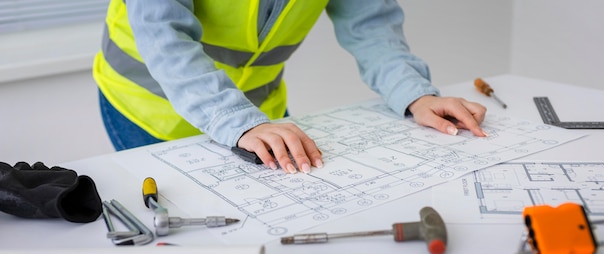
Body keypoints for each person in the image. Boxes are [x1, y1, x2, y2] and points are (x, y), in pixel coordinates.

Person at [93, 0, 487, 174]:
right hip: (146, 109)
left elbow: (370, 24)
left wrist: (415, 94)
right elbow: (163, 34)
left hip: (258, 114)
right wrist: (235, 120)